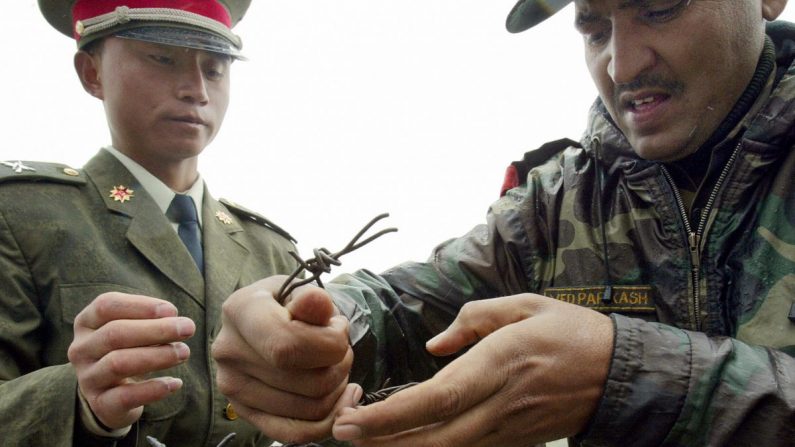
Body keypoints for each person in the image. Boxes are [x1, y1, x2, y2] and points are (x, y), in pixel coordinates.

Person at [211, 0, 795, 445]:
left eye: (659, 7)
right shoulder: (559, 200)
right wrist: (320, 327)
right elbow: (410, 306)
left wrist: (631, 377)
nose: (622, 63)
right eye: (593, 26)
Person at [0, 1, 318, 445]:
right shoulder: (20, 216)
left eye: (214, 68)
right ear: (92, 73)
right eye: (162, 58)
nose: (195, 89)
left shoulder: (271, 250)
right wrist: (81, 405)